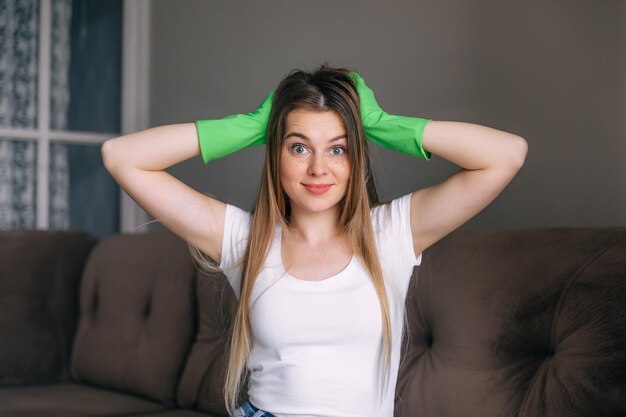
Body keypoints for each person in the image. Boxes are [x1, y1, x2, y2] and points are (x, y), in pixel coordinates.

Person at [101, 64, 528, 417]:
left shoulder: (393, 232)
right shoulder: (242, 239)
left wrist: (381, 124)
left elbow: (506, 155)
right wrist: (252, 126)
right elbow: (122, 158)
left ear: (355, 155)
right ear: (276, 153)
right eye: (299, 148)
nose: (319, 169)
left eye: (338, 149)